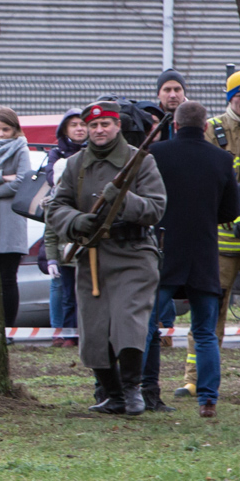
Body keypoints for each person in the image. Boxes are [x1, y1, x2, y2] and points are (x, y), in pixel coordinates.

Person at [46, 101, 167, 416]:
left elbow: (156, 208)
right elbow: (56, 206)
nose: (99, 130)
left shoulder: (141, 161)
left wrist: (125, 200)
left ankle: (132, 390)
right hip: (94, 255)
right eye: (93, 125)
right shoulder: (75, 165)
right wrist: (75, 221)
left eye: (106, 124)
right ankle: (111, 395)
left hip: (134, 255)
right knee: (95, 331)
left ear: (117, 126)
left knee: (128, 322)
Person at [144, 101, 238, 419]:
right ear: (207, 127)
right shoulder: (222, 159)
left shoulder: (157, 155)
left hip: (165, 251)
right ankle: (208, 399)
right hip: (204, 254)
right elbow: (230, 213)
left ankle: (144, 389)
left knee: (148, 325)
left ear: (175, 125)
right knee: (205, 332)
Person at [205, 70, 240, 371]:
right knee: (211, 308)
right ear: (229, 99)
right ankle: (196, 376)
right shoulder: (213, 129)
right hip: (223, 237)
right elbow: (205, 173)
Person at [39, 109, 87, 346]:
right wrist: (51, 259)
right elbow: (50, 233)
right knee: (66, 293)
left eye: (82, 124)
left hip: (84, 252)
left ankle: (83, 333)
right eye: (74, 125)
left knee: (85, 295)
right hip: (64, 253)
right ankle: (64, 333)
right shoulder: (57, 156)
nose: (79, 128)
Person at [0, 107, 31, 327]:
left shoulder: (22, 149)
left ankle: (7, 328)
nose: (1, 134)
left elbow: (22, 181)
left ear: (15, 130)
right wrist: (3, 176)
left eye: (6, 129)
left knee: (7, 279)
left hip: (11, 223)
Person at [152, 69, 188, 142]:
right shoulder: (152, 119)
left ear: (184, 93)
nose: (172, 95)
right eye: (167, 90)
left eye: (177, 90)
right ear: (158, 94)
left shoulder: (195, 119)